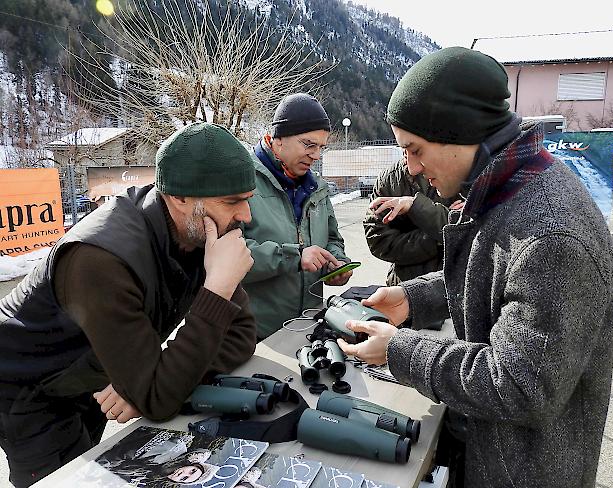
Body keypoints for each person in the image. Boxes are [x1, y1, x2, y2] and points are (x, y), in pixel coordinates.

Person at [337, 47, 613, 488]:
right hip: (491, 452)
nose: (411, 169)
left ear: (460, 133)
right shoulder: (511, 188)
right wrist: (413, 297)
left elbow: (519, 385)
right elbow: (493, 274)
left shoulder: (553, 237)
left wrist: (400, 350)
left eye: (415, 149)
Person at [0, 122, 258, 487]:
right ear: (179, 197)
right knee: (67, 482)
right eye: (232, 201)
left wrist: (160, 379)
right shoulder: (101, 259)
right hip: (30, 392)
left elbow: (242, 335)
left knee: (97, 469)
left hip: (91, 376)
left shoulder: (198, 233)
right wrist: (217, 288)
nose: (245, 215)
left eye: (247, 198)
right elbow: (157, 397)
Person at [242, 93, 352, 340]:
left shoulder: (318, 189)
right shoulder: (242, 182)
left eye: (321, 147)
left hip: (309, 327)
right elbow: (229, 255)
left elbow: (333, 239)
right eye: (309, 144)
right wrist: (294, 257)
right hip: (255, 336)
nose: (316, 155)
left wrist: (337, 262)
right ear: (277, 140)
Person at [363, 153, 456, 286]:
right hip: (404, 286)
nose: (412, 167)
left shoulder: (462, 173)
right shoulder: (389, 179)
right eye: (405, 152)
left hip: (454, 286)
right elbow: (378, 241)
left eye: (417, 151)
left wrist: (416, 207)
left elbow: (472, 229)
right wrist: (438, 237)